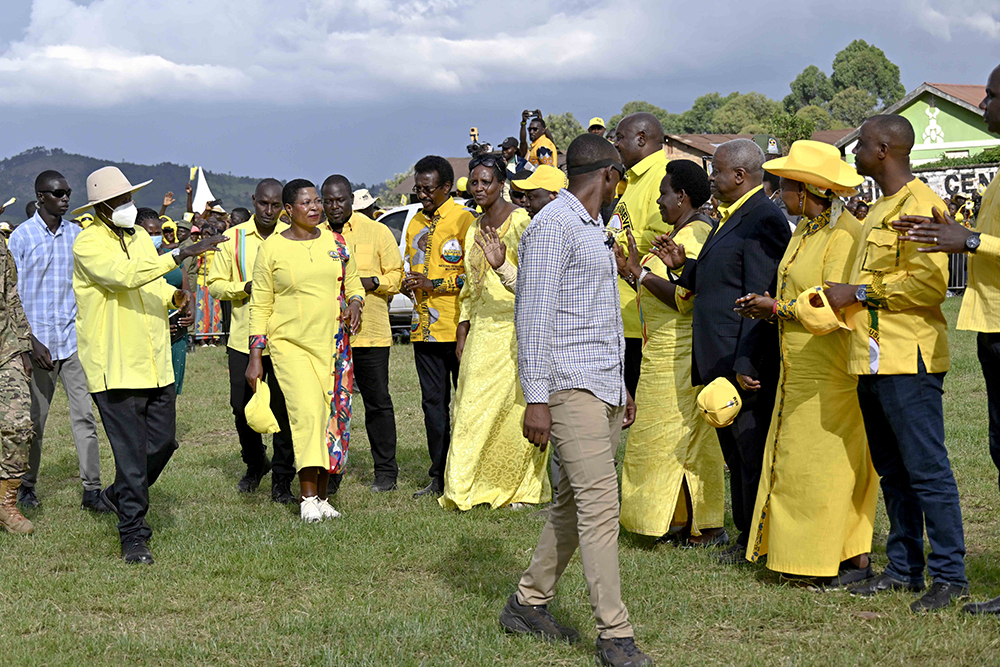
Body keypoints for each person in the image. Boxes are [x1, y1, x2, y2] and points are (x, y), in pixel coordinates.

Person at [500, 134, 651, 667]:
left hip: (602, 383)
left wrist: (621, 385)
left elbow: (597, 317)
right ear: (609, 175)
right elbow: (532, 317)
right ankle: (615, 635)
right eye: (622, 179)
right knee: (599, 508)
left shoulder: (593, 229)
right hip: (567, 389)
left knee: (573, 503)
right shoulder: (552, 228)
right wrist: (536, 399)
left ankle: (526, 602)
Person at [821, 115, 967, 611]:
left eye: (861, 143)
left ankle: (950, 576)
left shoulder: (922, 204)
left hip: (909, 358)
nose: (854, 151)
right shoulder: (879, 209)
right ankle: (905, 569)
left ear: (884, 149)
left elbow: (929, 287)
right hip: (870, 359)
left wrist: (857, 292)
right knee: (893, 472)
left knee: (927, 471)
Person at [732, 140, 878, 586]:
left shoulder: (843, 234)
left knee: (824, 463)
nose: (778, 195)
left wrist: (777, 309)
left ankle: (837, 558)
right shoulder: (807, 229)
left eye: (784, 187)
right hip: (798, 365)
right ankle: (804, 553)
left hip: (830, 366)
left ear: (807, 188)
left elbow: (830, 300)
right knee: (797, 459)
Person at [72, 166, 224, 563]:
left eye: (129, 198)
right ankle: (134, 535)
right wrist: (178, 253)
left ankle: (115, 495)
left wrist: (175, 299)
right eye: (120, 200)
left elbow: (151, 284)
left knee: (163, 442)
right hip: (115, 363)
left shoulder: (139, 236)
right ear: (101, 206)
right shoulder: (87, 243)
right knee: (131, 455)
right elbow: (122, 277)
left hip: (154, 360)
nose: (128, 205)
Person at [892, 66, 1000, 615]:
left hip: (956, 338)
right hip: (990, 327)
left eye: (993, 96)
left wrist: (972, 238)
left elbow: (978, 247)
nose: (983, 105)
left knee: (937, 462)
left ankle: (954, 574)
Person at [654, 139, 792, 564]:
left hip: (742, 361)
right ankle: (744, 536)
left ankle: (756, 541)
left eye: (715, 171)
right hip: (721, 357)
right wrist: (684, 266)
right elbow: (726, 279)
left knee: (749, 453)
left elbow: (760, 295)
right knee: (735, 453)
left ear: (740, 175)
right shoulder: (732, 215)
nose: (710, 178)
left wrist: (748, 361)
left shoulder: (763, 219)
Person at [615, 160, 725, 546]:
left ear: (682, 196)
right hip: (660, 348)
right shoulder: (677, 231)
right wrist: (632, 271)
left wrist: (640, 274)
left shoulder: (694, 236)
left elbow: (685, 297)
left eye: (663, 194)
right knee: (667, 441)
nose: (659, 201)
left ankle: (697, 523)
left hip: (681, 349)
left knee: (673, 441)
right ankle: (677, 520)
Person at [247, 179, 364, 522]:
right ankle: (307, 497)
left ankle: (324, 498)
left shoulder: (336, 242)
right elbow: (260, 304)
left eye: (317, 202)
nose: (315, 208)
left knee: (332, 417)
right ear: (289, 210)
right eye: (306, 203)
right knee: (308, 414)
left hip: (333, 346)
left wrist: (355, 303)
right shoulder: (272, 249)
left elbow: (353, 282)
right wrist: (256, 356)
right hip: (290, 346)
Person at [439, 154, 549, 511]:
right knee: (469, 407)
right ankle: (465, 487)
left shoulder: (520, 222)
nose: (479, 188)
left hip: (516, 329)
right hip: (481, 330)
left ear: (502, 184)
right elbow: (470, 286)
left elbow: (533, 280)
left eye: (487, 182)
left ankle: (517, 490)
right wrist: (462, 326)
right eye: (474, 182)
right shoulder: (473, 226)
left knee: (514, 411)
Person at [7, 170, 106, 512]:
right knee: (34, 421)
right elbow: (11, 296)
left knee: (84, 417)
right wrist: (30, 341)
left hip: (72, 340)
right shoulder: (20, 239)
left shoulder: (78, 236)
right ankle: (25, 486)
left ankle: (92, 489)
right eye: (58, 193)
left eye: (67, 192)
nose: (66, 198)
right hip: (37, 347)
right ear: (40, 197)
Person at [208, 179, 297, 501]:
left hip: (285, 340)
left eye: (275, 206)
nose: (269, 211)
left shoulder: (293, 237)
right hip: (243, 339)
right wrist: (242, 288)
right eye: (264, 204)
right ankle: (256, 461)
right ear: (253, 201)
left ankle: (283, 478)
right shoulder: (232, 238)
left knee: (283, 409)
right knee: (241, 407)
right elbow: (214, 283)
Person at [322, 175, 403, 493]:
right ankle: (331, 470)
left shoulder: (377, 230)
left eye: (340, 200)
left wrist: (372, 283)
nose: (334, 206)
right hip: (328, 335)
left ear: (350, 200)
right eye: (328, 201)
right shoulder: (316, 235)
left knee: (377, 403)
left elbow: (396, 276)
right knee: (331, 405)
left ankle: (385, 472)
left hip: (370, 332)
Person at [403, 156, 476, 498]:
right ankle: (438, 476)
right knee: (433, 405)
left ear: (446, 187)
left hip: (459, 328)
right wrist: (410, 284)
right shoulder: (415, 222)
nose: (422, 195)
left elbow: (473, 275)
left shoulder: (464, 220)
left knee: (467, 404)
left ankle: (467, 475)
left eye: (428, 189)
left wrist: (434, 283)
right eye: (418, 188)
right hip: (424, 331)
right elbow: (411, 267)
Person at [611, 113, 670, 397]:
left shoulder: (661, 176)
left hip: (639, 321)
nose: (616, 144)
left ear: (642, 139)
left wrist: (614, 244)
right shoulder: (634, 179)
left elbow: (662, 238)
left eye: (620, 137)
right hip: (623, 315)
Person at [0, 233, 35, 535]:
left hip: (6, 347)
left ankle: (6, 503)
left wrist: (24, 346)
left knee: (19, 424)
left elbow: (12, 296)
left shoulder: (1, 244)